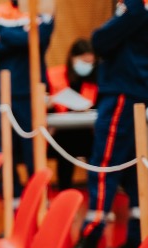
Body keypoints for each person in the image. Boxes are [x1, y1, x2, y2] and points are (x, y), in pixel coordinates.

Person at [65, 0, 148, 248]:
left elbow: (100, 40)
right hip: (132, 89)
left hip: (122, 91)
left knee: (104, 166)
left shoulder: (137, 3)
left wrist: (100, 37)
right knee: (132, 171)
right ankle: (137, 238)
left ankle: (89, 241)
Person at [0, 0, 55, 204]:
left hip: (31, 93)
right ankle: (11, 196)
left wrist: (4, 35)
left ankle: (38, 198)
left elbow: (39, 39)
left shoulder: (44, 9)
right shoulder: (0, 11)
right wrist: (23, 38)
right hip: (2, 93)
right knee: (1, 146)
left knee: (33, 149)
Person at [47, 38, 98, 189]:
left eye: (90, 62)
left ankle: (95, 191)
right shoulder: (54, 75)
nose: (87, 66)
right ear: (73, 58)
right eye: (84, 61)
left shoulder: (96, 79)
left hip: (87, 132)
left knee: (96, 148)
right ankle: (64, 189)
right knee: (66, 146)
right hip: (61, 132)